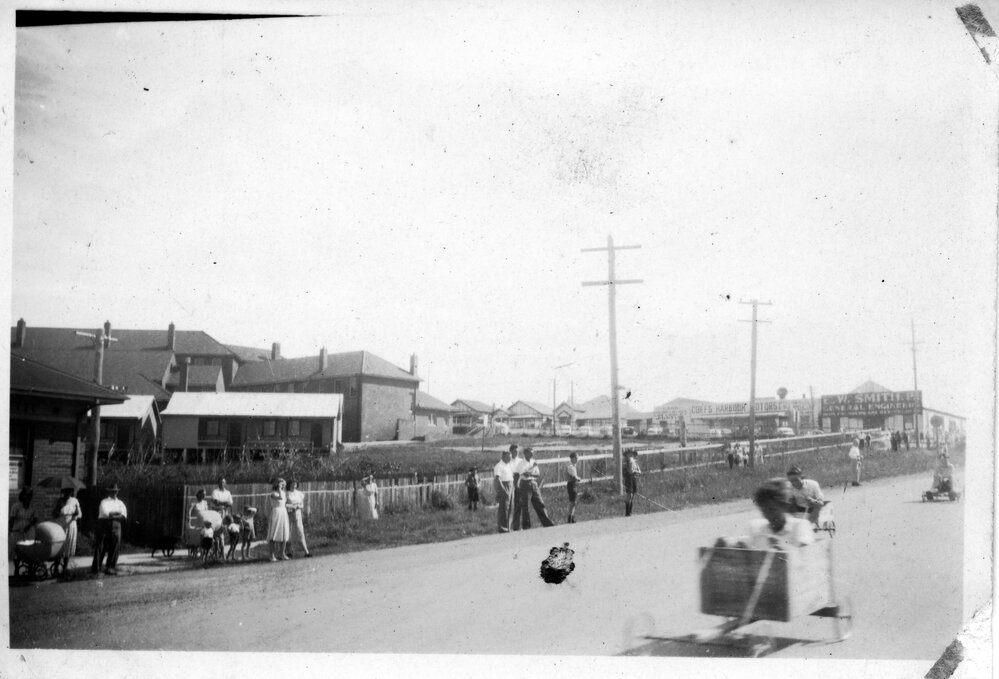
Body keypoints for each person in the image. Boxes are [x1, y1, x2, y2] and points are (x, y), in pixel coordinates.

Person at [743, 478, 815, 550]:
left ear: (783, 506)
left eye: (772, 509)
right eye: (764, 510)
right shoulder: (758, 528)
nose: (769, 514)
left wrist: (781, 546)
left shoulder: (800, 525)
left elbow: (806, 554)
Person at [91, 484, 127, 575]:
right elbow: (107, 514)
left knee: (115, 547)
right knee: (101, 547)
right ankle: (96, 568)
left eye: (116, 491)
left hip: (116, 526)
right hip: (104, 525)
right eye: (112, 491)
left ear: (118, 491)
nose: (114, 492)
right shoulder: (104, 502)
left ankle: (110, 568)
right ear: (109, 491)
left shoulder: (120, 503)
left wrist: (115, 514)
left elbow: (124, 515)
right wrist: (118, 513)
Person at [515, 448, 554, 528]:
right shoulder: (521, 463)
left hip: (533, 483)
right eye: (530, 453)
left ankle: (547, 523)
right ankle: (526, 526)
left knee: (540, 503)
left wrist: (530, 473)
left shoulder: (533, 461)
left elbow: (537, 474)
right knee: (526, 506)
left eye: (532, 453)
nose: (532, 455)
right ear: (525, 454)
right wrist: (532, 468)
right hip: (525, 484)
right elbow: (524, 474)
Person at [54, 488, 82, 572]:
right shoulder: (60, 501)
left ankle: (65, 568)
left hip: (71, 524)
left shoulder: (75, 501)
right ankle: (56, 567)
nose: (67, 493)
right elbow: (55, 513)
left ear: (71, 492)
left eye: (69, 491)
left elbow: (79, 514)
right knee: (59, 545)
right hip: (61, 524)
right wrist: (57, 509)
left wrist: (76, 513)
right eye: (65, 491)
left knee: (68, 545)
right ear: (63, 492)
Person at [9, 488, 38, 562]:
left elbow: (35, 519)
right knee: (17, 550)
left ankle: (27, 568)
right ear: (22, 496)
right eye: (26, 495)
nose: (27, 497)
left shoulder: (33, 507)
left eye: (29, 495)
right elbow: (12, 519)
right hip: (18, 531)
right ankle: (16, 569)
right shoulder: (16, 506)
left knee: (27, 550)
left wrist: (29, 525)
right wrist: (10, 530)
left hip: (28, 531)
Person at [285, 480, 312, 558]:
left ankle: (306, 552)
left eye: (295, 484)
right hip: (289, 514)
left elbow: (302, 505)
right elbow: (284, 504)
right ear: (289, 485)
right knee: (289, 532)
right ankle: (289, 551)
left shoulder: (299, 494)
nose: (294, 486)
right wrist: (291, 506)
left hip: (297, 513)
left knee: (300, 531)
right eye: (292, 484)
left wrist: (297, 506)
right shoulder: (286, 494)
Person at [267, 478, 290, 562]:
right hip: (276, 512)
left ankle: (282, 554)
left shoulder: (283, 493)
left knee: (284, 533)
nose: (282, 485)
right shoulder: (273, 493)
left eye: (283, 484)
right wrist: (280, 488)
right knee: (274, 533)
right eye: (280, 483)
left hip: (283, 512)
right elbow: (280, 498)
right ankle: (271, 555)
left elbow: (284, 502)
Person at [493, 448, 514, 533]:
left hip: (511, 485)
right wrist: (503, 490)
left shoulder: (508, 465)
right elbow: (498, 479)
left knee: (511, 507)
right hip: (504, 486)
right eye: (508, 457)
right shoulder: (499, 466)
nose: (510, 459)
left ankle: (509, 527)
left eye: (510, 457)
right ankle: (502, 528)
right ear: (503, 456)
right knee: (504, 508)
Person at [624, 449, 642, 517]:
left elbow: (639, 471)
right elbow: (629, 471)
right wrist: (635, 470)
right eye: (629, 454)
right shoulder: (627, 462)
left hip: (633, 478)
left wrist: (635, 471)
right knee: (629, 495)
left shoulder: (635, 462)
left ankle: (630, 511)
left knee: (633, 495)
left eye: (632, 454)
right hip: (628, 479)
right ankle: (627, 512)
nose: (630, 455)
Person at [566, 452, 580, 524]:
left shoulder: (573, 466)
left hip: (574, 484)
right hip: (571, 484)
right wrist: (578, 478)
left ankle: (572, 517)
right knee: (573, 502)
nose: (577, 459)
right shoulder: (571, 467)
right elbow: (574, 476)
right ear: (573, 458)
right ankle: (570, 518)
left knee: (574, 502)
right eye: (576, 458)